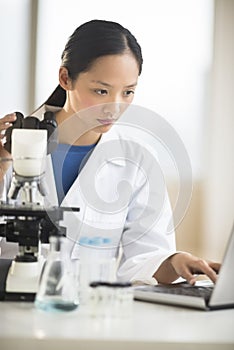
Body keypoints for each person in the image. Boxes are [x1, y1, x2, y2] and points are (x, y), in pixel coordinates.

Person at [0, 19, 220, 285]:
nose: (114, 107)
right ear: (65, 78)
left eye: (128, 92)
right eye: (101, 91)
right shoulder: (11, 145)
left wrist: (174, 262)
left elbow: (145, 257)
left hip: (92, 311)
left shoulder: (137, 159)